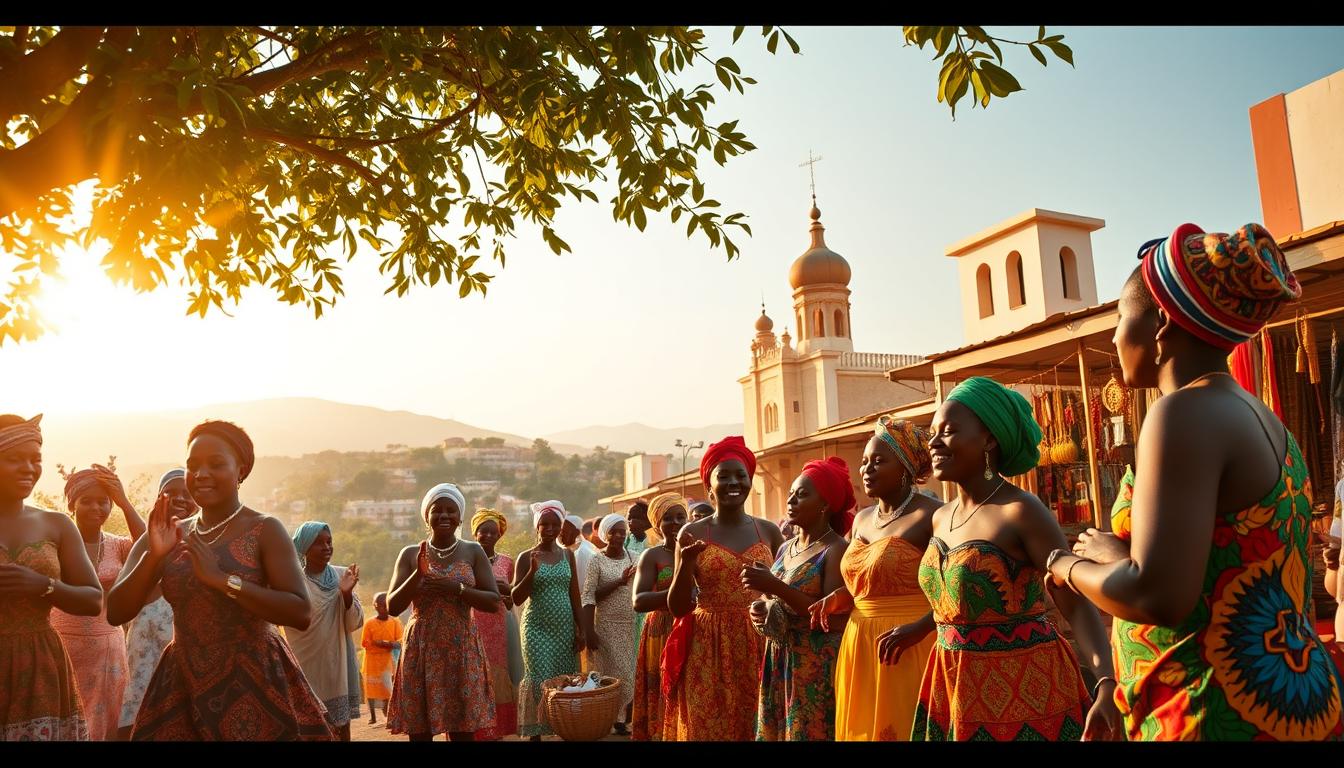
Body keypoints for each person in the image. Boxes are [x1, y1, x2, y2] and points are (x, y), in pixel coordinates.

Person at [1055, 222, 1344, 740]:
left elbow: (1159, 594)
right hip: (1284, 700)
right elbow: (1219, 568)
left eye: (1122, 317)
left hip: (1213, 712)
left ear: (1162, 323)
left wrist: (1068, 564)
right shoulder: (1258, 416)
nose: (1115, 336)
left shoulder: (1181, 415)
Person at [914, 378, 1120, 741]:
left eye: (948, 431)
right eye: (932, 432)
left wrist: (1105, 683)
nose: (934, 442)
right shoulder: (939, 517)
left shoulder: (1021, 511)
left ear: (989, 439)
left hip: (1026, 690)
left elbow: (1073, 603)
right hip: (952, 686)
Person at [110, 420, 332, 740]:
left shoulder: (265, 529)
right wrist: (155, 556)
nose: (200, 474)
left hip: (255, 680)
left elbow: (300, 611)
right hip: (182, 682)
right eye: (192, 466)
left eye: (216, 464)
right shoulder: (166, 533)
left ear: (240, 471)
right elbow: (116, 611)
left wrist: (222, 580)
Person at [808, 417, 941, 741]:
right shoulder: (863, 519)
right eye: (864, 461)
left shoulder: (932, 515)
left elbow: (952, 590)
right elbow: (863, 583)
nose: (866, 469)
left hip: (908, 644)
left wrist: (919, 629)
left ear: (906, 469)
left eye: (879, 461)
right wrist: (840, 597)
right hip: (860, 643)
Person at [663, 436, 785, 741]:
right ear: (709, 486)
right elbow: (677, 608)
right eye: (724, 476)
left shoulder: (768, 531)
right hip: (709, 644)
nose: (734, 482)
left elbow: (785, 587)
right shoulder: (691, 533)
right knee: (710, 724)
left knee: (758, 723)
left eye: (740, 475)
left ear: (749, 481)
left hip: (760, 638)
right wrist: (685, 565)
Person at [0, 414, 102, 741]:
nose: (29, 468)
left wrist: (43, 586)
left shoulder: (56, 524)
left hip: (41, 665)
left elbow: (93, 599)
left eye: (35, 459)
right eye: (15, 459)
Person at [386, 483, 499, 741]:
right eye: (437, 510)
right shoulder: (411, 554)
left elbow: (493, 601)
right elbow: (393, 606)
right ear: (427, 515)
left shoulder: (473, 551)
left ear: (460, 517)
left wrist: (455, 588)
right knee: (420, 732)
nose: (444, 516)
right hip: (422, 650)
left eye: (451, 510)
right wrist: (417, 573)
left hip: (461, 650)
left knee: (463, 731)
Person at [749, 457, 852, 741]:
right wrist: (764, 603)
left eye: (802, 494)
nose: (791, 499)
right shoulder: (786, 548)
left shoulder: (835, 550)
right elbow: (778, 599)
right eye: (791, 493)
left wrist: (774, 586)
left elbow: (832, 617)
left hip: (813, 663)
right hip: (779, 657)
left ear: (826, 504)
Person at [50, 463, 145, 740]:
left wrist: (124, 502)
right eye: (86, 501)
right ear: (72, 505)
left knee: (106, 724)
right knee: (64, 720)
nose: (95, 508)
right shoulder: (55, 544)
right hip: (63, 646)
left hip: (108, 651)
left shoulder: (117, 546)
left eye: (103, 502)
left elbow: (150, 546)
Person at [116, 469, 192, 739]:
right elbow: (117, 609)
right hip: (144, 683)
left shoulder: (207, 548)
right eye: (171, 493)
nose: (181, 499)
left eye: (188, 493)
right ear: (159, 499)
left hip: (189, 683)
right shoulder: (148, 548)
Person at [513, 500, 585, 740]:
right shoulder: (526, 557)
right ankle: (536, 733)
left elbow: (575, 595)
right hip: (536, 628)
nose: (551, 529)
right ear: (537, 527)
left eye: (556, 524)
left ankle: (562, 727)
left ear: (561, 526)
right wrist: (532, 573)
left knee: (565, 680)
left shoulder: (567, 555)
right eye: (545, 524)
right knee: (538, 679)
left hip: (564, 629)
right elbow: (516, 597)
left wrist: (581, 629)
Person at [286, 521, 363, 740]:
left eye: (329, 541)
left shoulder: (342, 575)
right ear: (304, 548)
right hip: (306, 665)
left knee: (341, 728)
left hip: (337, 665)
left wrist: (346, 594)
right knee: (309, 729)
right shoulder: (293, 581)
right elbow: (290, 618)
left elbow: (354, 623)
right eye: (318, 543)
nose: (326, 547)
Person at [631, 492, 687, 740]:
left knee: (687, 688)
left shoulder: (698, 552)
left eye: (680, 517)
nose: (675, 523)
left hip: (691, 628)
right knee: (662, 688)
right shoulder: (652, 556)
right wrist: (678, 593)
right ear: (657, 524)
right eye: (668, 518)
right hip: (661, 629)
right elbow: (639, 601)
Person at [583, 513, 639, 735]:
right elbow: (589, 595)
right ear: (605, 535)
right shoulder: (597, 560)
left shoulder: (634, 557)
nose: (618, 536)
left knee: (630, 674)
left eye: (622, 532)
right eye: (613, 532)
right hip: (606, 626)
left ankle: (621, 719)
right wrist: (589, 632)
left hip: (631, 624)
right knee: (611, 674)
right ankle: (609, 718)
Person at [469, 508, 519, 740]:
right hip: (472, 624)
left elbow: (512, 601)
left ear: (499, 535)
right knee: (473, 675)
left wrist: (507, 591)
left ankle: (496, 731)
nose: (488, 536)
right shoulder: (465, 558)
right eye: (483, 531)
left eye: (493, 532)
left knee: (498, 675)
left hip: (499, 626)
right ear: (474, 533)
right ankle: (474, 730)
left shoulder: (507, 562)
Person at [360, 592, 402, 727]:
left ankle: (389, 714)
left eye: (385, 605)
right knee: (371, 688)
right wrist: (376, 645)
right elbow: (365, 642)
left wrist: (386, 644)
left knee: (387, 689)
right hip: (372, 660)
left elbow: (400, 641)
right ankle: (372, 716)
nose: (383, 608)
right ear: (375, 606)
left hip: (388, 660)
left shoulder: (395, 621)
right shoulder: (369, 623)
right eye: (379, 606)